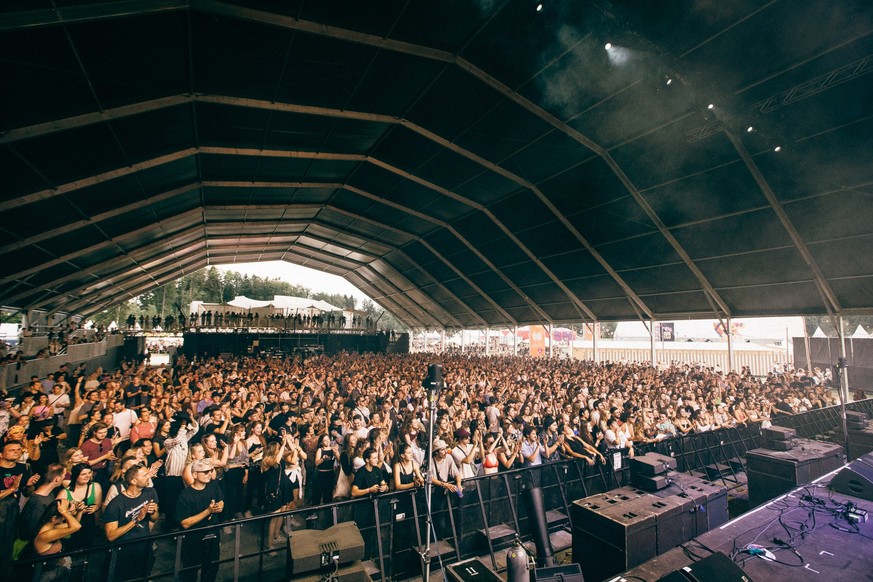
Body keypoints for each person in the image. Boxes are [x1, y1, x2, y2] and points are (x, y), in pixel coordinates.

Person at [103, 464, 159, 582]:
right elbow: (111, 536)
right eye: (144, 475)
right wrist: (137, 519)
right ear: (133, 481)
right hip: (123, 551)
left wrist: (153, 512)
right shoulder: (115, 504)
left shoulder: (151, 492)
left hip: (144, 545)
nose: (148, 476)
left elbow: (154, 519)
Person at [176, 459, 224, 582]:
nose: (209, 474)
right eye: (205, 472)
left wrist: (219, 507)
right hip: (193, 539)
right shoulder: (185, 495)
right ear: (195, 474)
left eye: (211, 470)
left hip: (212, 535)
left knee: (211, 568)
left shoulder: (213, 485)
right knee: (190, 571)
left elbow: (221, 500)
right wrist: (208, 511)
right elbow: (185, 523)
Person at [0, 439, 39, 577]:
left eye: (18, 449)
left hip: (12, 514)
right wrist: (12, 489)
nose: (16, 452)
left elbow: (26, 493)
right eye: (12, 450)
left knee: (7, 547)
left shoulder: (23, 468)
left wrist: (28, 485)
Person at [22, 499, 81, 580]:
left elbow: (75, 523)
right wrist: (64, 512)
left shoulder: (52, 527)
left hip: (56, 570)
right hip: (49, 575)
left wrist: (79, 511)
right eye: (62, 514)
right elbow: (76, 526)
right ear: (54, 518)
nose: (65, 516)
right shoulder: (46, 535)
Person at [57, 462, 102, 550]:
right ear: (75, 476)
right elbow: (56, 512)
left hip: (88, 525)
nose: (88, 476)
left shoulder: (95, 486)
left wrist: (96, 507)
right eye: (83, 474)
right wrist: (74, 510)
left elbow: (98, 504)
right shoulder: (64, 493)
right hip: (70, 526)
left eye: (89, 473)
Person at [19, 464, 65, 542]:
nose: (64, 477)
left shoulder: (50, 494)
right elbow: (34, 532)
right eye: (64, 475)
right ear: (57, 479)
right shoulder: (38, 503)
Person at [311, 433, 338, 506]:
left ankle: (328, 512)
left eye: (328, 439)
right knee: (317, 494)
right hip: (321, 475)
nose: (327, 441)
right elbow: (316, 463)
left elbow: (339, 460)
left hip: (330, 474)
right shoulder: (320, 450)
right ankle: (313, 512)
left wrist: (336, 452)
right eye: (325, 440)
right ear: (321, 442)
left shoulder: (333, 449)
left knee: (328, 494)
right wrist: (323, 459)